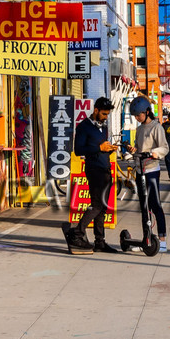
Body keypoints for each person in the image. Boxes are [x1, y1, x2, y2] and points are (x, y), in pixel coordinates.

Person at [68, 97, 119, 254]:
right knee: (97, 204)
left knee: (103, 207)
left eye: (107, 114)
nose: (106, 117)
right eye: (103, 114)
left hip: (105, 169)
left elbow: (101, 148)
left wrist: (109, 148)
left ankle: (100, 241)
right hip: (94, 170)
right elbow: (79, 150)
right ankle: (76, 233)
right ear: (95, 110)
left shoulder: (102, 128)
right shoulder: (84, 127)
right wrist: (99, 148)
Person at [131, 98, 170, 253]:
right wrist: (133, 151)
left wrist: (155, 153)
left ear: (147, 112)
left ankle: (162, 241)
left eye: (138, 115)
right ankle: (147, 240)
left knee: (155, 204)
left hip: (152, 171)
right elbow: (137, 147)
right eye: (135, 116)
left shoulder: (156, 128)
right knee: (144, 206)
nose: (137, 118)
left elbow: (164, 147)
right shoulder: (140, 129)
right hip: (140, 170)